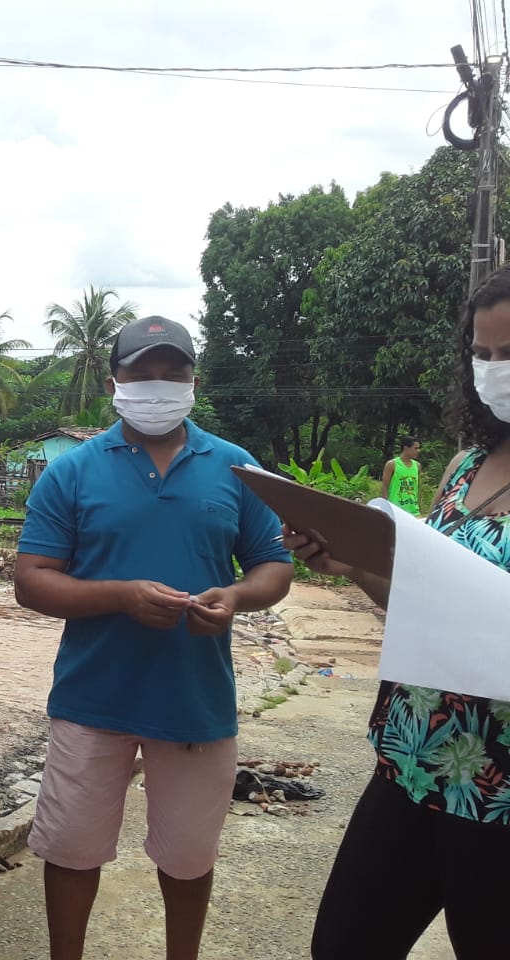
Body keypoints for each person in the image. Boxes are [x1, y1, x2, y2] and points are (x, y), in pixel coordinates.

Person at [13, 316, 293, 960]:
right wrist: (121, 596)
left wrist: (238, 596)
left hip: (194, 700)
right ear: (116, 381)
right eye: (143, 374)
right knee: (72, 850)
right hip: (92, 698)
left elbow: (273, 565)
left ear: (195, 380)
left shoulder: (236, 467)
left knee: (189, 858)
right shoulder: (72, 471)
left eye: (174, 374)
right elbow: (31, 581)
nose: (158, 387)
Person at [289, 270, 510, 960]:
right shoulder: (465, 465)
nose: (494, 371)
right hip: (413, 758)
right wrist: (351, 565)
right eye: (484, 355)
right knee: (345, 946)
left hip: (500, 791)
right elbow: (422, 607)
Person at [380, 434, 422, 515]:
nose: (418, 451)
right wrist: (386, 508)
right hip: (396, 510)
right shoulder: (392, 464)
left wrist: (419, 507)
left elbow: (418, 488)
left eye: (419, 448)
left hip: (414, 511)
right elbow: (385, 487)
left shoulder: (417, 466)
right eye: (415, 448)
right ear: (406, 448)